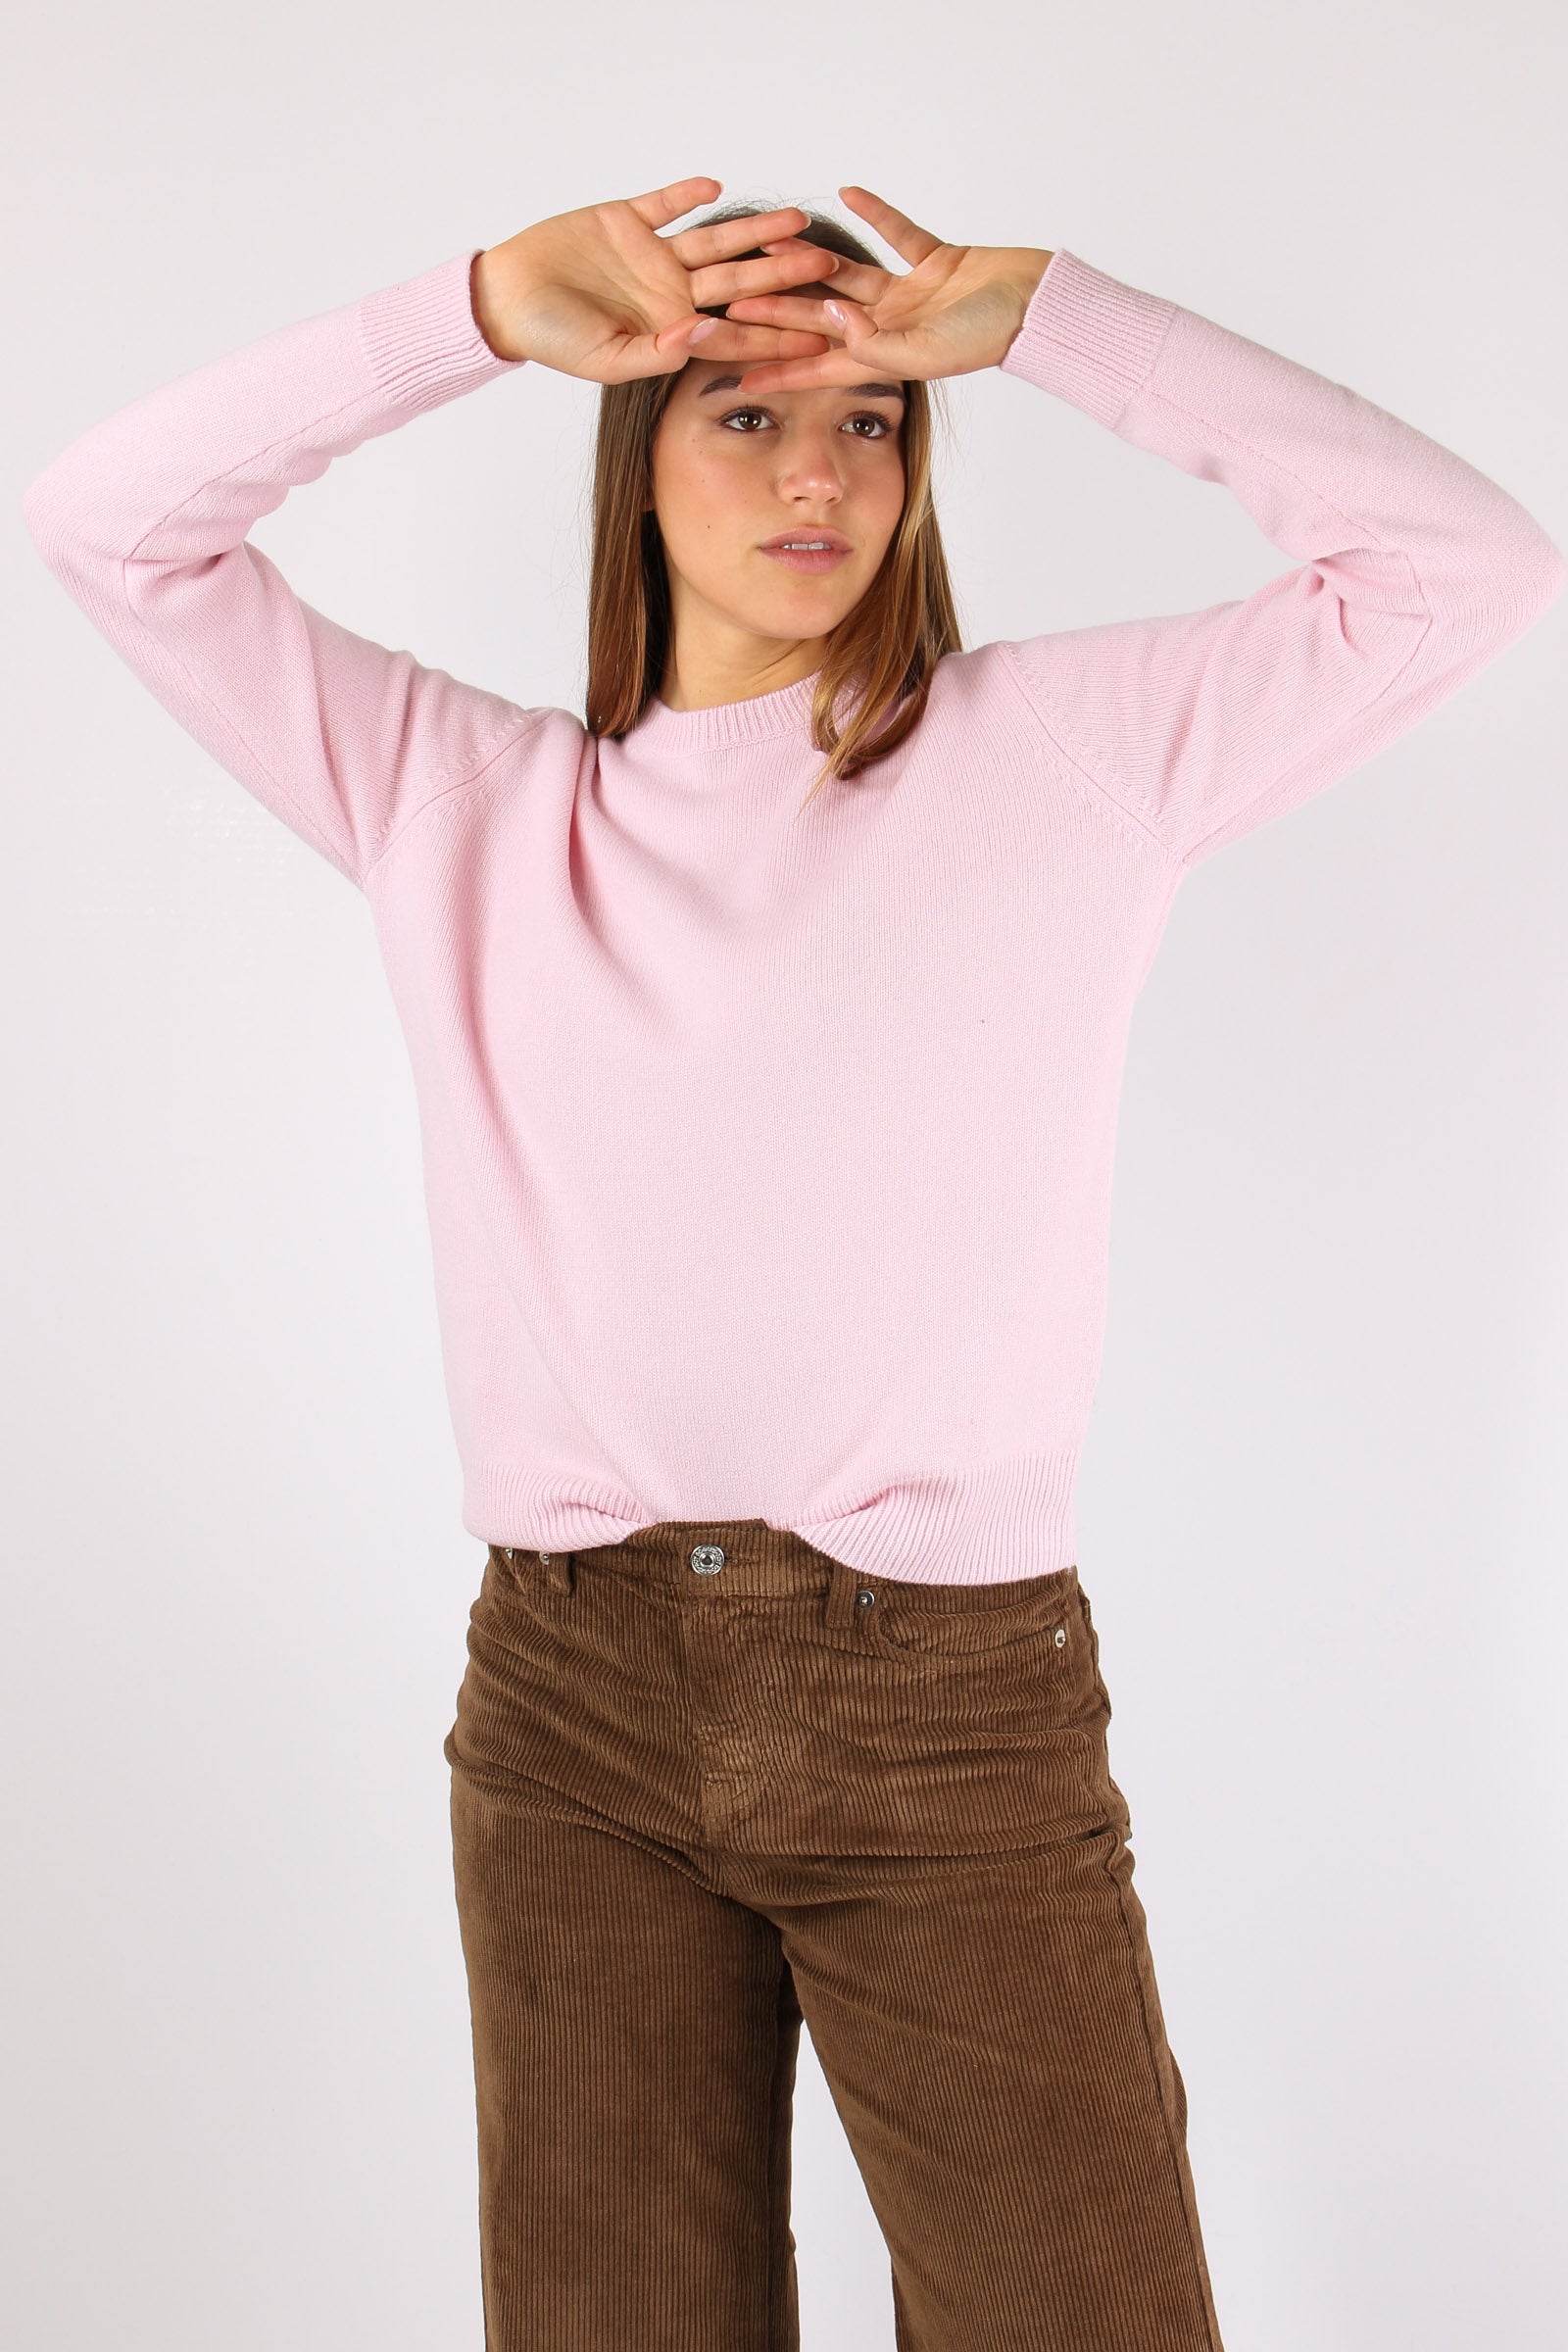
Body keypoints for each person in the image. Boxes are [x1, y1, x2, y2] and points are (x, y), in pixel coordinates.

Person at [22, 176, 1563, 2352]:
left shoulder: (1065, 758)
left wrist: (1047, 321)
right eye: (744, 416)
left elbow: (1464, 570)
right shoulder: (459, 803)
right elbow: (108, 524)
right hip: (570, 1707)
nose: (818, 472)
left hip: (942, 1707)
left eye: (870, 422)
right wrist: (472, 312)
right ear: (633, 462)